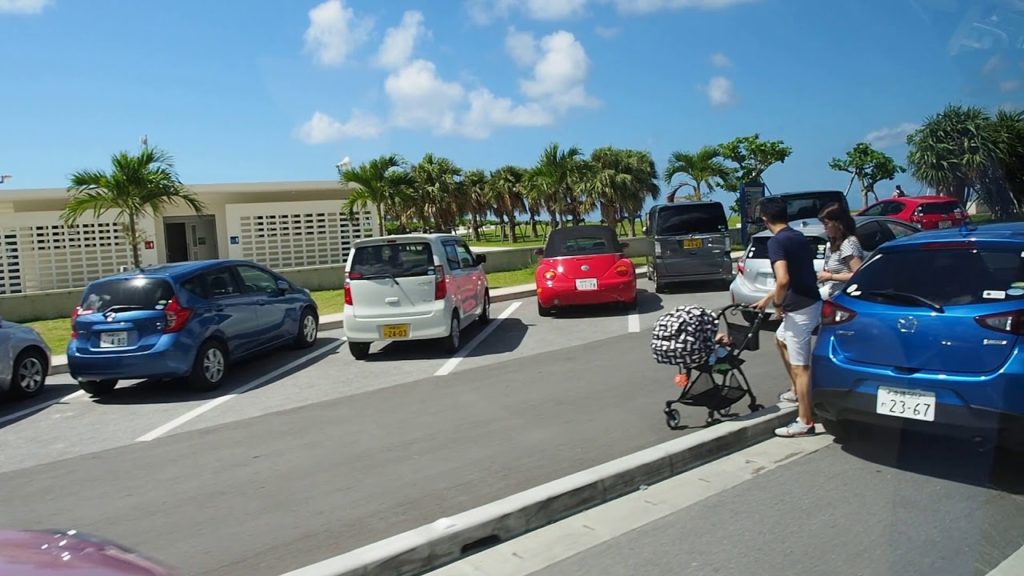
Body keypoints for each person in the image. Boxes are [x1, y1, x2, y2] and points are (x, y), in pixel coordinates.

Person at [753, 196, 822, 437]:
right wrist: (768, 298)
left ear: (764, 219)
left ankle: (805, 420)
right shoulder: (797, 237)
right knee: (780, 340)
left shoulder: (776, 242)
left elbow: (784, 279)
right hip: (810, 302)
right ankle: (795, 391)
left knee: (801, 366)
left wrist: (778, 304)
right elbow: (799, 275)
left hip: (799, 309)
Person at [817, 203, 865, 300]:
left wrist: (831, 276)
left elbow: (858, 275)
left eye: (826, 224)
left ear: (838, 223)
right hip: (836, 295)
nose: (824, 228)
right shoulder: (838, 243)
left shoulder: (848, 243)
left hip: (847, 297)